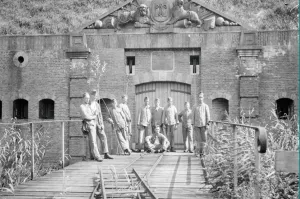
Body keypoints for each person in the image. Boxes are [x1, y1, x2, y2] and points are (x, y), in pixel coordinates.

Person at [89, 90, 113, 159]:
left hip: (98, 123)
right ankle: (92, 155)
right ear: (92, 96)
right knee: (92, 140)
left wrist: (102, 124)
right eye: (95, 96)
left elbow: (100, 115)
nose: (96, 97)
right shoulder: (88, 104)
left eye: (96, 96)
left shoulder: (97, 104)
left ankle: (106, 153)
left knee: (103, 136)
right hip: (91, 123)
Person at [79, 92, 102, 162]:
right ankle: (97, 156)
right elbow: (85, 116)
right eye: (86, 98)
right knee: (92, 141)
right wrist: (93, 117)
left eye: (88, 98)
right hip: (87, 125)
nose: (88, 99)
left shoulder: (89, 106)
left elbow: (93, 114)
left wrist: (94, 115)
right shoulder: (82, 106)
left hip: (93, 125)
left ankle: (92, 156)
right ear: (83, 98)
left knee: (93, 141)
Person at [192, 92, 210, 158]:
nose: (200, 98)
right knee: (198, 139)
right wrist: (193, 124)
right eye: (199, 97)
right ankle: (198, 152)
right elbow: (193, 116)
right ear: (198, 98)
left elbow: (208, 115)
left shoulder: (205, 106)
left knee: (204, 139)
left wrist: (208, 124)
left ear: (203, 98)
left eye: (201, 97)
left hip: (203, 125)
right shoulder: (194, 106)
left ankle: (203, 152)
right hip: (196, 125)